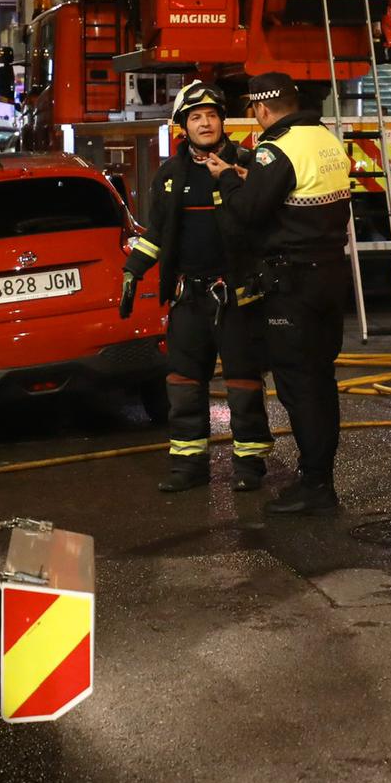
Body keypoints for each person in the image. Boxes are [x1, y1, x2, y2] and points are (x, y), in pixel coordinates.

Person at [199, 72, 350, 515]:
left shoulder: (275, 147)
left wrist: (228, 178)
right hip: (329, 277)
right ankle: (322, 478)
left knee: (299, 385)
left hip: (293, 285)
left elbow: (247, 213)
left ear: (262, 109)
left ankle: (316, 487)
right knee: (321, 380)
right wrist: (254, 178)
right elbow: (297, 195)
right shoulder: (324, 138)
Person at [120, 80, 274, 493]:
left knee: (243, 380)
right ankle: (188, 465)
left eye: (211, 116)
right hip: (190, 296)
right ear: (182, 126)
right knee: (184, 381)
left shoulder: (248, 164)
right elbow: (159, 232)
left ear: (223, 121)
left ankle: (249, 464)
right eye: (195, 117)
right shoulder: (170, 176)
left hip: (237, 294)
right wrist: (135, 267)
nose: (205, 123)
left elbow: (263, 224)